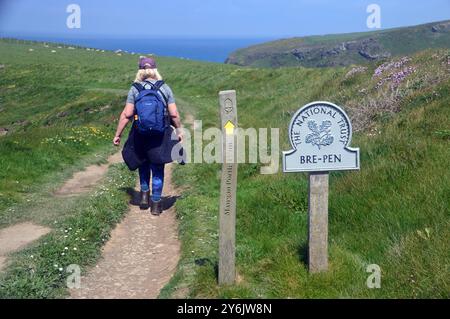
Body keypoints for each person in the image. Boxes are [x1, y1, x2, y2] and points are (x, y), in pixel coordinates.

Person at [113, 56, 183, 215]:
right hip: (160, 134)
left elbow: (127, 114)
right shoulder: (164, 88)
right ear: (155, 69)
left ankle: (144, 196)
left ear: (140, 70)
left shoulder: (135, 88)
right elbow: (174, 113)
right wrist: (179, 130)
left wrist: (118, 134)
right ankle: (156, 204)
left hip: (139, 133)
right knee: (158, 167)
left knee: (143, 163)